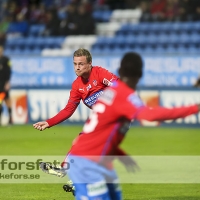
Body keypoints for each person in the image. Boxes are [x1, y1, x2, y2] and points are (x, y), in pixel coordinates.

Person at [63, 51, 200, 200]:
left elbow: (102, 134)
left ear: (120, 72)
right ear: (140, 74)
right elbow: (150, 115)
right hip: (88, 162)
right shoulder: (124, 96)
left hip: (96, 157)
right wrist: (195, 108)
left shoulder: (111, 93)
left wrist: (121, 154)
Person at [33, 48, 137, 195]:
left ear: (89, 64)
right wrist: (49, 122)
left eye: (81, 64)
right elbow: (68, 110)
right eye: (75, 64)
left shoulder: (100, 73)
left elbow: (120, 86)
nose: (77, 67)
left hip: (119, 118)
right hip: (103, 121)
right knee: (79, 142)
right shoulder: (77, 86)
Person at [0, 45, 12, 125]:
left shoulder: (6, 60)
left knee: (7, 101)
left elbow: (9, 71)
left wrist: (8, 82)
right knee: (0, 102)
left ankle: (10, 119)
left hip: (4, 84)